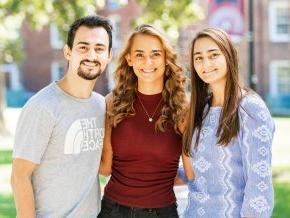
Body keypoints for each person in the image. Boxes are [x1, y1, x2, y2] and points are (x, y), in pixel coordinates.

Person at [11, 15, 112, 218]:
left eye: (99, 48)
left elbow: (103, 168)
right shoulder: (43, 106)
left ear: (109, 56)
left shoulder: (102, 106)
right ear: (68, 51)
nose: (91, 55)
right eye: (83, 47)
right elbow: (19, 176)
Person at [98, 24, 193, 218]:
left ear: (167, 59)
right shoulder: (112, 102)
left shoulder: (184, 107)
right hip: (113, 210)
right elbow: (105, 168)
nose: (147, 61)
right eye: (140, 54)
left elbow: (192, 173)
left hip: (161, 211)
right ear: (129, 59)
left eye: (156, 54)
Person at [178, 27, 275, 218]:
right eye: (198, 58)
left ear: (229, 55)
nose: (206, 63)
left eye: (213, 55)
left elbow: (259, 184)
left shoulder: (250, 108)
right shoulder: (200, 110)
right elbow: (195, 177)